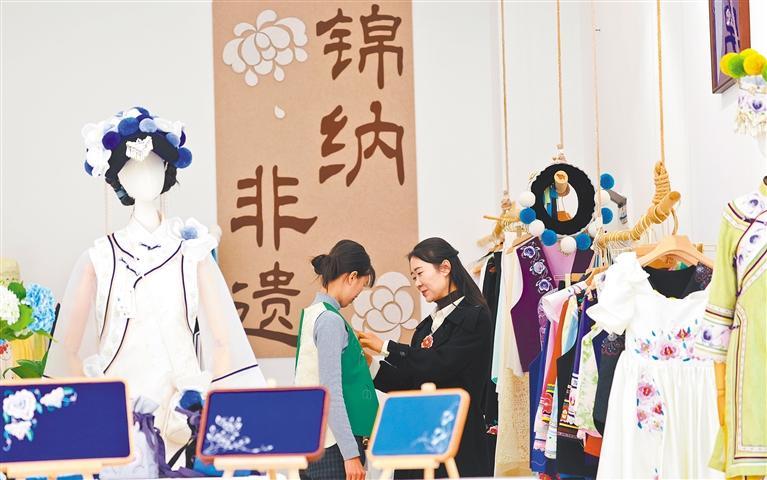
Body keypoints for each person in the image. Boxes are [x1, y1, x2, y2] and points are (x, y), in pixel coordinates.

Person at [358, 237, 493, 478]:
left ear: (445, 267)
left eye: (420, 273)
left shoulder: (474, 317)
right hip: (418, 437)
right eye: (413, 277)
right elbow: (410, 382)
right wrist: (370, 365)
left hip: (457, 437)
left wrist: (387, 346)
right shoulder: (426, 326)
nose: (417, 283)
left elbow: (439, 365)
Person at [295, 240, 379, 480]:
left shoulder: (313, 314)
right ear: (352, 277)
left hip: (312, 440)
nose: (357, 295)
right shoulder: (330, 320)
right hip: (333, 447)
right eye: (361, 286)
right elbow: (330, 390)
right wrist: (350, 454)